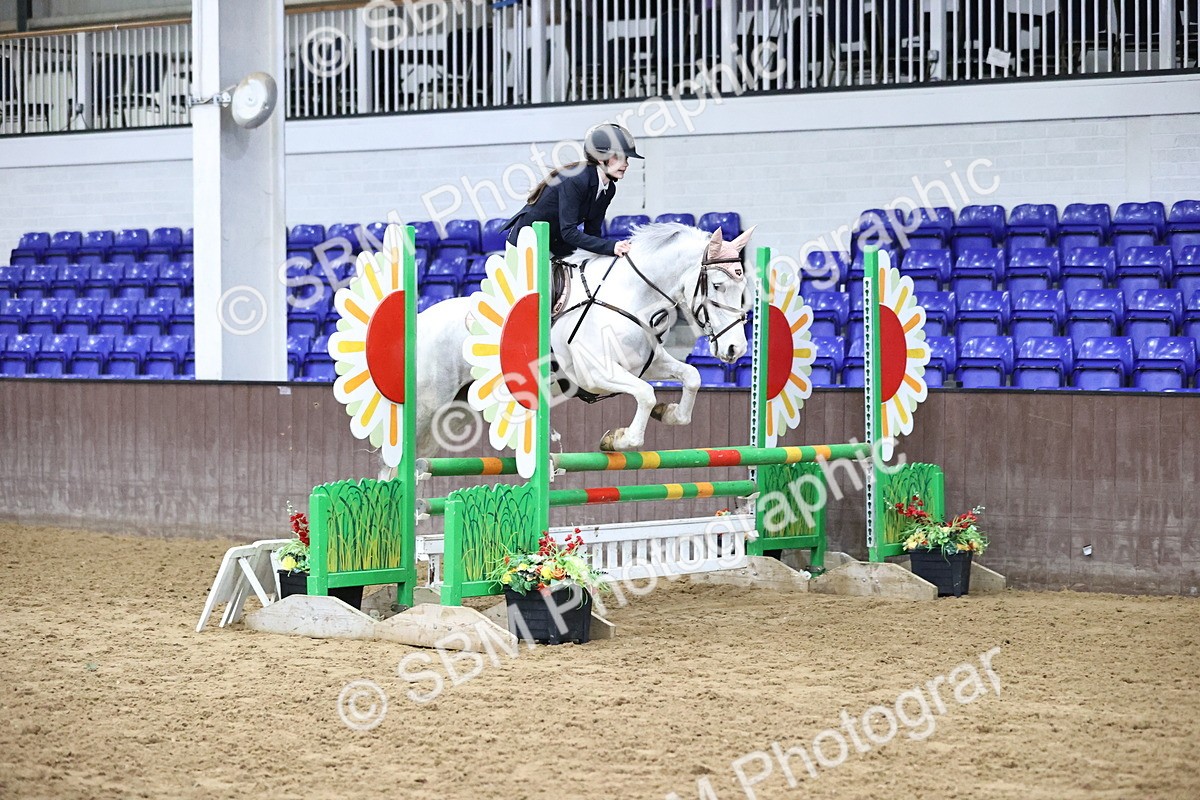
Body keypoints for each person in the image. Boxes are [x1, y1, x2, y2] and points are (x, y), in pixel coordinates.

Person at [504, 123, 643, 259]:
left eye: (626, 158)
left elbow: (593, 231)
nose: (625, 164)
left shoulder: (609, 189)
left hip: (557, 245)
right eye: (618, 157)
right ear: (601, 158)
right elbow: (569, 232)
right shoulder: (576, 180)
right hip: (526, 244)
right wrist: (611, 247)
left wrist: (606, 252)